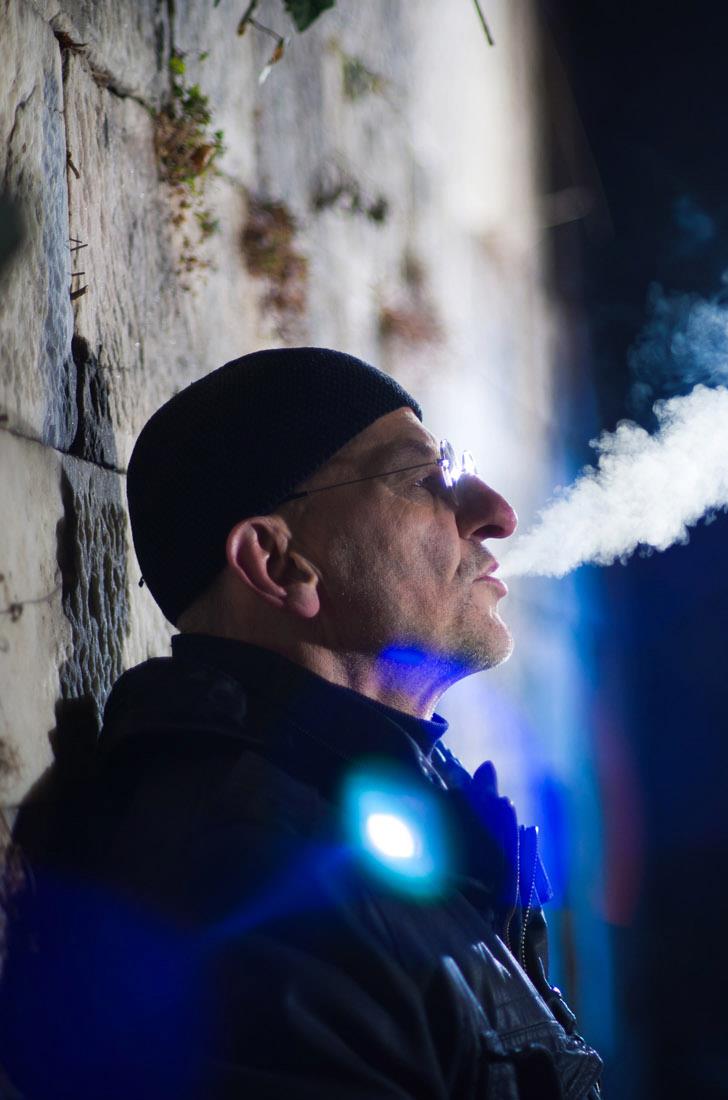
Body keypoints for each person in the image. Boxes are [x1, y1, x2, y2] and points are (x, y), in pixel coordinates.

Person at [0, 348, 602, 1099]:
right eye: (424, 479)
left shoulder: (360, 828)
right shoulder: (248, 883)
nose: (498, 513)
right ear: (277, 563)